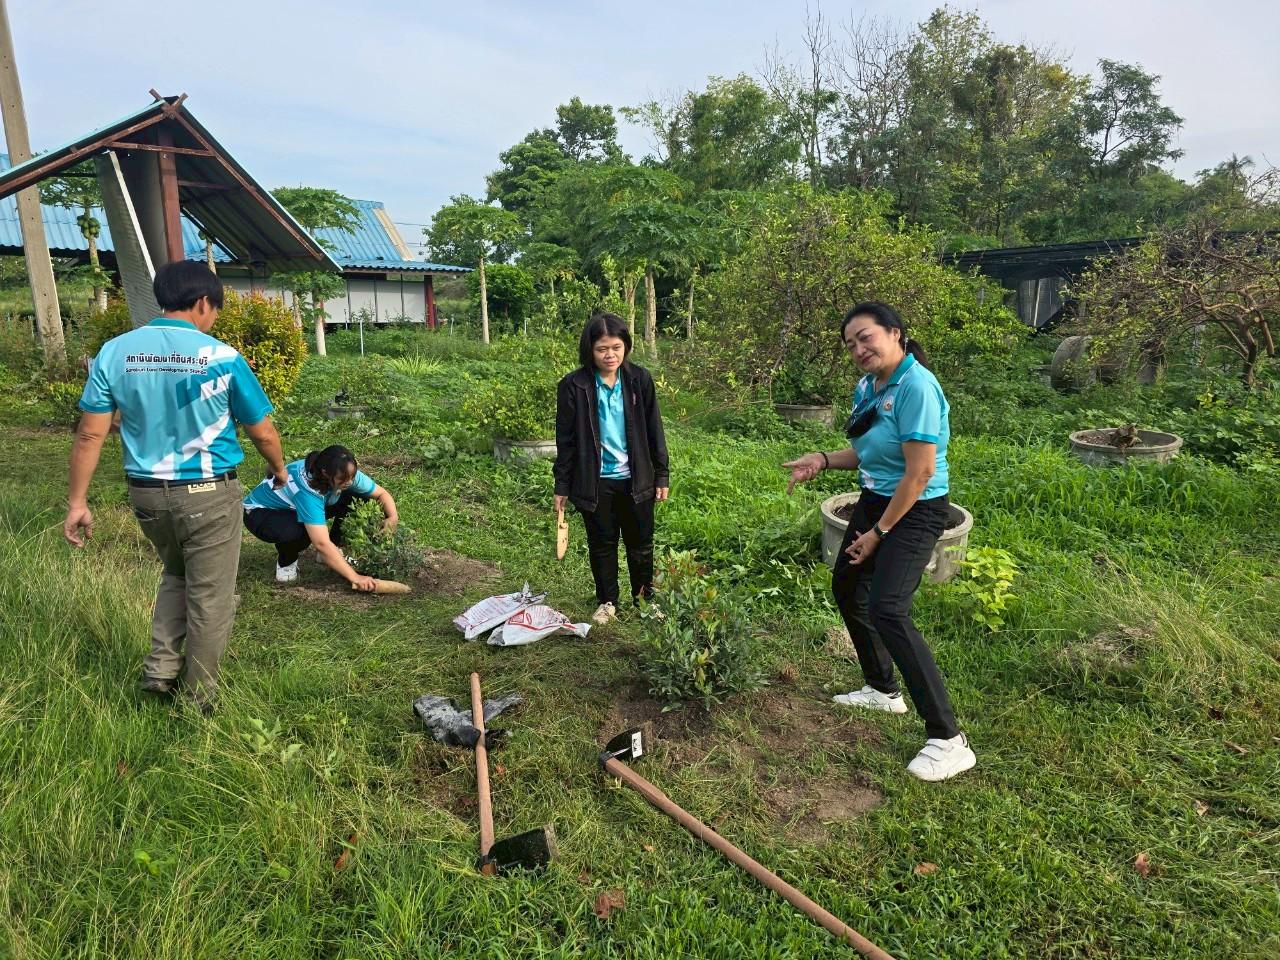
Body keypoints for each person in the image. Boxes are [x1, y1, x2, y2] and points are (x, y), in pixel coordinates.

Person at [64, 260, 287, 714]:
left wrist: (77, 502)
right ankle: (199, 699)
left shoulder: (115, 352)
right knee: (211, 594)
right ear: (203, 302)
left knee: (177, 573)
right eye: (216, 311)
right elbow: (261, 431)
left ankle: (161, 668)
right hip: (208, 493)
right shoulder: (221, 357)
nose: (214, 320)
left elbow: (90, 433)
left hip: (146, 495)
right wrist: (279, 470)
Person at [784, 301, 976, 782]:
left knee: (889, 608)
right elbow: (870, 450)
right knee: (848, 588)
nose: (859, 349)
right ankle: (883, 690)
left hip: (914, 510)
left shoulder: (917, 387)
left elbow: (920, 472)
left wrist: (878, 534)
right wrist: (824, 460)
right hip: (876, 499)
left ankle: (949, 739)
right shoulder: (870, 387)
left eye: (866, 337)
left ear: (895, 333)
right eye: (851, 344)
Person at [554, 312, 669, 625]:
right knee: (602, 545)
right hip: (595, 481)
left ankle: (645, 601)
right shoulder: (574, 386)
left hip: (637, 479)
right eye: (602, 349)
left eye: (616, 347)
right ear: (590, 350)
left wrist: (661, 474)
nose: (610, 355)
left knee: (641, 545)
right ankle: (607, 601)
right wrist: (562, 485)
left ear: (626, 347)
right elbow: (565, 441)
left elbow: (654, 429)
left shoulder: (639, 380)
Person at [241, 445, 397, 592]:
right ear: (325, 472)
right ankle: (286, 562)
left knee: (361, 499)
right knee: (298, 531)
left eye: (352, 476)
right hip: (260, 513)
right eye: (343, 478)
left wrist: (392, 517)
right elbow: (320, 542)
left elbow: (381, 494)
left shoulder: (342, 471)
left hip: (294, 506)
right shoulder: (308, 491)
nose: (349, 481)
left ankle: (333, 551)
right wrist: (355, 577)